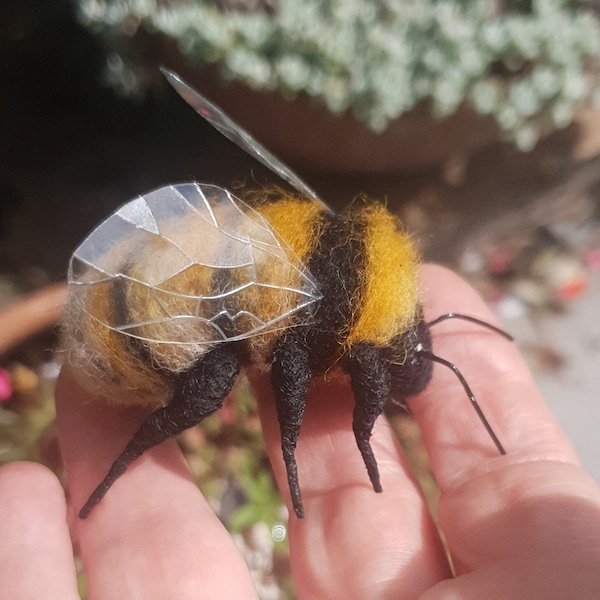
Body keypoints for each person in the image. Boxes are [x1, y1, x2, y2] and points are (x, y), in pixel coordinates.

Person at [2, 264, 600, 599]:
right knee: (229, 375)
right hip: (156, 319)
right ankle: (116, 467)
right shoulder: (331, 326)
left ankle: (111, 471)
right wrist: (301, 448)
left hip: (174, 293)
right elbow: (295, 359)